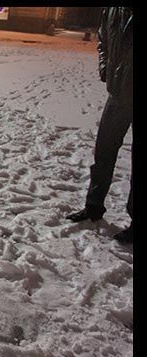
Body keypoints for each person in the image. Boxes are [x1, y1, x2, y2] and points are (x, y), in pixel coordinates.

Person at [66, 7, 133, 244]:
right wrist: (105, 67)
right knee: (103, 153)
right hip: (117, 94)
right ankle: (93, 207)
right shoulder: (113, 10)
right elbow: (103, 40)